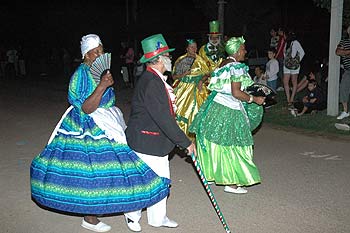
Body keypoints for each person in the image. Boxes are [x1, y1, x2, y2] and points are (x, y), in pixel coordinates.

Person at [30, 34, 171, 233]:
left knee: (119, 167)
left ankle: (127, 208)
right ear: (85, 55)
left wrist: (106, 87)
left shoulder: (102, 71)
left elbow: (108, 100)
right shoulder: (79, 75)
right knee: (91, 172)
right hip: (85, 125)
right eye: (94, 52)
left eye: (101, 50)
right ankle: (90, 218)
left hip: (107, 120)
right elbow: (86, 107)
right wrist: (103, 85)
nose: (99, 54)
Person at [124, 33, 196, 232]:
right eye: (168, 56)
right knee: (143, 182)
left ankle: (158, 218)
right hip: (146, 140)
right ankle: (132, 216)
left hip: (156, 140)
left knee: (161, 181)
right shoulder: (152, 83)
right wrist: (186, 142)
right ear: (159, 59)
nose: (171, 59)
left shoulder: (156, 78)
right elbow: (164, 119)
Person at [189, 37, 265, 194]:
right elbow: (236, 92)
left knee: (215, 142)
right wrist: (254, 99)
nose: (245, 51)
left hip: (216, 107)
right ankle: (231, 183)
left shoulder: (223, 64)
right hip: (229, 109)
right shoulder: (236, 67)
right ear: (237, 51)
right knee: (235, 144)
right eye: (243, 49)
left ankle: (211, 175)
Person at [172, 39, 211, 141]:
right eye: (192, 47)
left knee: (199, 112)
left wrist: (201, 81)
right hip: (184, 88)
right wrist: (183, 74)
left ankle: (199, 138)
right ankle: (183, 139)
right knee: (182, 111)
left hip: (198, 88)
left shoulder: (200, 60)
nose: (194, 49)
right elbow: (174, 76)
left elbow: (207, 74)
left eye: (195, 47)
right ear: (187, 48)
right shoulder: (181, 59)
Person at [283, 30, 305, 109]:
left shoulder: (295, 42)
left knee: (293, 81)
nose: (284, 37)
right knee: (285, 82)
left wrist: (297, 61)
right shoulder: (286, 43)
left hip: (294, 66)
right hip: (287, 65)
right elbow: (284, 53)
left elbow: (302, 52)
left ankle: (291, 99)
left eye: (285, 35)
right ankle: (288, 99)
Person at [335, 25, 350, 120]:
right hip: (348, 70)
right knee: (343, 88)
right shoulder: (344, 41)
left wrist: (344, 52)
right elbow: (337, 51)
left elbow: (342, 52)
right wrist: (348, 52)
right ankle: (345, 111)